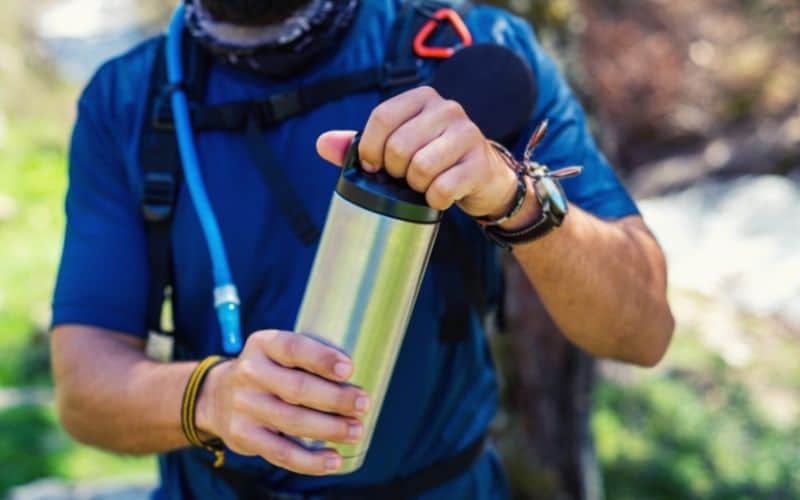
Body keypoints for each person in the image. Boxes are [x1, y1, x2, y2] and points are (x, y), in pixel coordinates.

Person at [49, 0, 675, 498]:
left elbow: (642, 331)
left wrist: (512, 195)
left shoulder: (472, 48)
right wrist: (211, 397)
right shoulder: (129, 101)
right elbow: (83, 394)